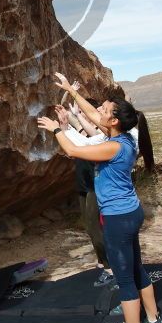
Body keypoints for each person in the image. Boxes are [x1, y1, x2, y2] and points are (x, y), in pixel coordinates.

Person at [37, 75, 162, 323]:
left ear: (114, 121)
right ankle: (153, 318)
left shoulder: (112, 147)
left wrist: (56, 130)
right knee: (137, 266)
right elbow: (93, 114)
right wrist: (70, 90)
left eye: (105, 111)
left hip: (118, 218)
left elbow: (72, 149)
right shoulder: (126, 138)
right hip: (131, 212)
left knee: (125, 278)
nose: (99, 113)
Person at [55, 97, 114, 287]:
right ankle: (103, 260)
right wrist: (65, 124)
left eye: (102, 110)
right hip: (84, 183)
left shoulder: (105, 137)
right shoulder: (97, 135)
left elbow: (81, 144)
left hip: (95, 186)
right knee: (90, 226)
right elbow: (76, 142)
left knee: (94, 226)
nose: (98, 113)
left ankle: (109, 267)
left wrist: (60, 128)